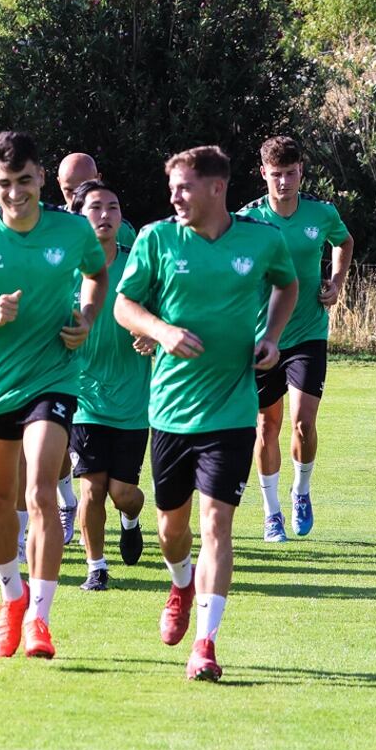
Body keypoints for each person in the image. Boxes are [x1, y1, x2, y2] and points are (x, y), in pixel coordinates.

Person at [114, 145, 297, 681]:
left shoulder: (262, 239)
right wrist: (161, 331)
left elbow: (287, 284)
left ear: (217, 188)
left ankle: (206, 642)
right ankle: (180, 583)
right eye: (172, 187)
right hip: (171, 411)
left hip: (232, 410)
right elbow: (125, 304)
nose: (175, 197)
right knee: (171, 528)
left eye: (184, 187)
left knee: (217, 524)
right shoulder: (157, 238)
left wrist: (272, 336)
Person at [0, 132, 105, 659]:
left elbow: (97, 272)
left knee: (42, 492)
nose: (15, 193)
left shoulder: (71, 230)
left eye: (24, 180)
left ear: (42, 177)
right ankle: (12, 597)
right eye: (4, 183)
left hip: (53, 378)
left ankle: (40, 618)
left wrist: (87, 317)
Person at [239, 136, 353, 543]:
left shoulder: (321, 213)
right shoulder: (247, 219)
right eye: (276, 175)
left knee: (303, 424)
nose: (284, 182)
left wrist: (336, 281)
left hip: (308, 333)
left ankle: (301, 491)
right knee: (266, 425)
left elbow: (344, 241)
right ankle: (272, 514)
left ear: (301, 171)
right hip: (262, 338)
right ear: (263, 173)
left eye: (290, 173)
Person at [67, 180, 150, 590]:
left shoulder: (140, 265)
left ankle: (131, 519)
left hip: (134, 397)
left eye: (113, 207)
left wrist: (152, 335)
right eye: (96, 207)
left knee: (123, 492)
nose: (105, 215)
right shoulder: (65, 267)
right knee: (92, 487)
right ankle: (96, 567)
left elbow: (164, 313)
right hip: (82, 395)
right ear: (79, 216)